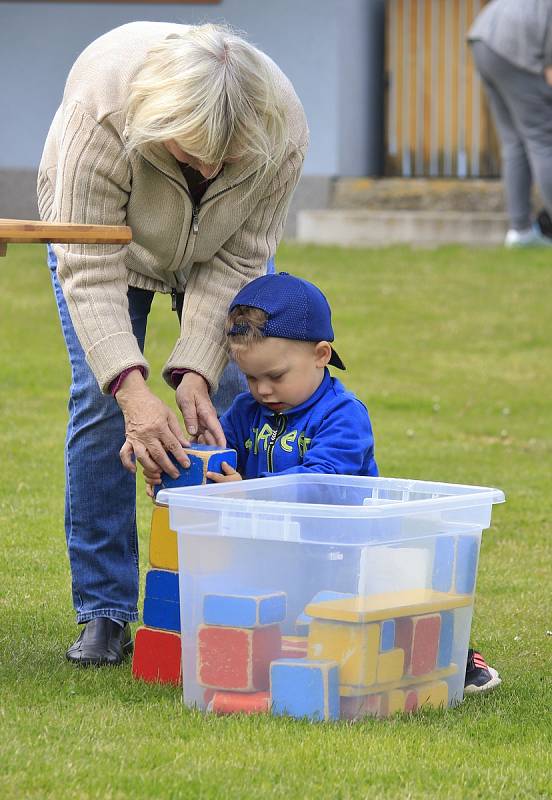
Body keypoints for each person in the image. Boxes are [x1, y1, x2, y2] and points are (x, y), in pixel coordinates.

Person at [37, 21, 308, 665]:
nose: (212, 168)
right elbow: (85, 262)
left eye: (228, 158)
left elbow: (243, 256)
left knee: (236, 396)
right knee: (104, 407)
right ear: (159, 123)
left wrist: (197, 372)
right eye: (195, 156)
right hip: (105, 249)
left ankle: (236, 599)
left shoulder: (282, 126)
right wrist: (132, 389)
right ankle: (104, 614)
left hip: (217, 257)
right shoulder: (101, 112)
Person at [145, 271, 501, 694]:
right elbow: (216, 464)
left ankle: (453, 655)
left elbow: (323, 482)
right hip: (270, 554)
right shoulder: (245, 411)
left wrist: (243, 491)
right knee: (279, 628)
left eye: (275, 376)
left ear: (320, 354)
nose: (262, 390)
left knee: (390, 609)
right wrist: (179, 476)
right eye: (251, 377)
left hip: (346, 558)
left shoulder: (343, 415)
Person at [468, 0, 552, 248]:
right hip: (515, 45)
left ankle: (520, 232)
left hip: (484, 39)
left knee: (515, 141)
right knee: (543, 138)